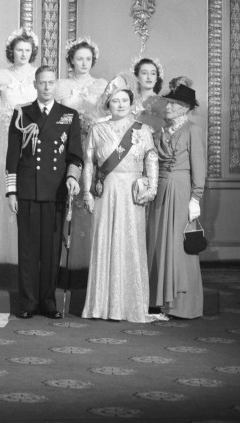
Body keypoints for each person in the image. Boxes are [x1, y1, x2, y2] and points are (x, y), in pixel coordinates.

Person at [5, 65, 82, 319]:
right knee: (27, 249)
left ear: (56, 84)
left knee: (51, 251)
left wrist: (72, 177)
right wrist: (12, 192)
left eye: (51, 82)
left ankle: (48, 301)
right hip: (27, 190)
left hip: (55, 191)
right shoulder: (22, 113)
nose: (47, 87)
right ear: (35, 84)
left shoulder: (69, 116)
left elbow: (75, 156)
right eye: (42, 83)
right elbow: (12, 156)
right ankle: (27, 302)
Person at [80, 88, 158, 322]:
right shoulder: (97, 130)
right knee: (105, 240)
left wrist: (152, 188)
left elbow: (151, 158)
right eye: (115, 101)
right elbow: (89, 164)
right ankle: (101, 306)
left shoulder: (143, 130)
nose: (120, 104)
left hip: (132, 192)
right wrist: (86, 192)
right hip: (107, 191)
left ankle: (130, 305)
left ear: (131, 103)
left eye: (124, 100)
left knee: (130, 242)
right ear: (107, 104)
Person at [0, 27, 38, 264]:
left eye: (27, 50)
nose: (23, 54)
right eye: (19, 50)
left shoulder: (38, 74)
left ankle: (29, 246)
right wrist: (8, 115)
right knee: (5, 185)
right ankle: (4, 246)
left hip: (33, 135)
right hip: (7, 133)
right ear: (11, 51)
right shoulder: (1, 76)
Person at [147, 79, 205, 319]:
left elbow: (199, 167)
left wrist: (196, 198)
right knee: (158, 242)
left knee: (178, 245)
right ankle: (156, 301)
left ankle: (181, 305)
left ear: (185, 107)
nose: (168, 107)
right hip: (160, 190)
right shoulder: (160, 130)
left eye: (173, 104)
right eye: (168, 103)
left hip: (181, 191)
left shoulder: (192, 130)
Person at [54, 37, 108, 270]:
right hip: (67, 143)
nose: (84, 63)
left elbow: (106, 116)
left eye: (88, 59)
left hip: (94, 145)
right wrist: (74, 125)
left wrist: (90, 125)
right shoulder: (61, 85)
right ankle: (63, 257)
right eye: (79, 59)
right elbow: (56, 116)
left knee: (90, 192)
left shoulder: (102, 84)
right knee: (67, 192)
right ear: (71, 61)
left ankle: (90, 258)